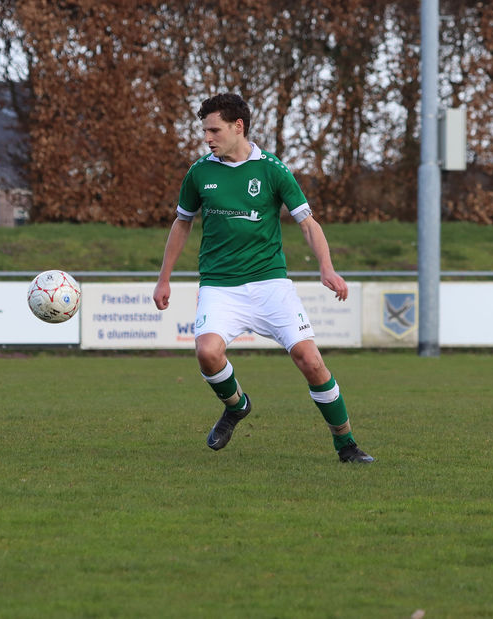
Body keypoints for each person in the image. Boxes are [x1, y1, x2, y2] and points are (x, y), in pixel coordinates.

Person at [153, 93, 373, 463]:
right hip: (220, 285)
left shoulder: (272, 169)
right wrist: (164, 279)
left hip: (270, 284)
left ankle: (346, 445)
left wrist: (327, 267)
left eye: (214, 130)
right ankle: (236, 405)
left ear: (238, 127)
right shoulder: (199, 172)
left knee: (310, 361)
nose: (207, 137)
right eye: (205, 130)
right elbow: (182, 223)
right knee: (207, 353)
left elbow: (307, 223)